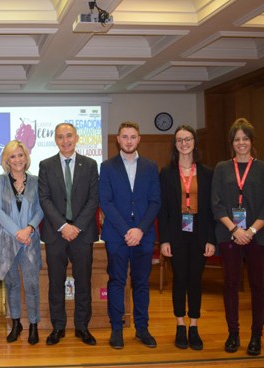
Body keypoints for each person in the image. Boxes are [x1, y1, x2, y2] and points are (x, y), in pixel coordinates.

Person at [211, 118, 264, 356]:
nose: (241, 143)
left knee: (258, 285)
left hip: (257, 236)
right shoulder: (222, 168)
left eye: (245, 138)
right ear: (231, 143)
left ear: (252, 141)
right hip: (228, 233)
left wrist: (250, 231)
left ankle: (256, 336)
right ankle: (233, 333)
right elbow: (216, 204)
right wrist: (235, 230)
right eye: (237, 139)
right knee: (230, 284)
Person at [99, 121, 160, 349]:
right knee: (116, 281)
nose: (128, 141)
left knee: (142, 283)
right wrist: (127, 230)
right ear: (118, 139)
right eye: (124, 137)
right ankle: (117, 329)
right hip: (117, 235)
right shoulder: (107, 167)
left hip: (143, 235)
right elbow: (106, 201)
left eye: (133, 137)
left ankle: (142, 329)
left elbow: (155, 201)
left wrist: (140, 229)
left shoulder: (150, 166)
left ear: (139, 139)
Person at [38, 123, 99, 346]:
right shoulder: (46, 165)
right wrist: (64, 226)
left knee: (83, 282)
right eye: (61, 137)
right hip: (56, 235)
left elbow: (94, 199)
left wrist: (77, 226)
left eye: (69, 136)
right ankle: (58, 327)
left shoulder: (90, 165)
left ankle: (82, 327)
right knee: (56, 283)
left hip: (83, 234)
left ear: (77, 137)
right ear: (55, 140)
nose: (65, 140)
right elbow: (44, 199)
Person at [158, 125, 216, 350]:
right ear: (175, 144)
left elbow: (212, 210)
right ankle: (180, 325)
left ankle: (194, 326)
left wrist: (211, 239)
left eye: (188, 139)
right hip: (176, 234)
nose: (184, 143)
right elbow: (163, 210)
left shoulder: (207, 173)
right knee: (180, 279)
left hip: (200, 233)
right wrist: (164, 240)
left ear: (194, 142)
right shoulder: (167, 173)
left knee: (195, 279)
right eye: (179, 140)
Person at [0, 140, 44, 345]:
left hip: (29, 240)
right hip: (7, 241)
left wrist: (28, 229)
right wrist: (17, 232)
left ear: (26, 157)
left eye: (21, 155)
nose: (17, 159)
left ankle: (34, 325)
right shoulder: (0, 181)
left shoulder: (37, 181)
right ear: (7, 160)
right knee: (11, 284)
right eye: (13, 156)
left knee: (31, 284)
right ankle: (16, 323)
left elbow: (40, 209)